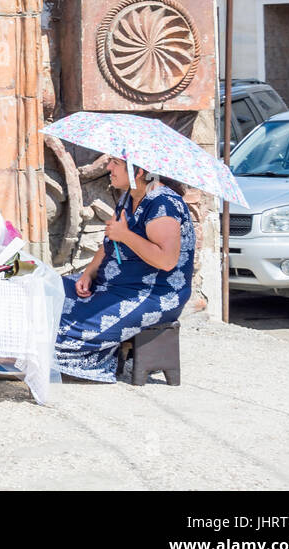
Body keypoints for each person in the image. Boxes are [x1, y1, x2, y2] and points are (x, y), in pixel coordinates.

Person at [56, 156, 196, 381]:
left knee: (64, 331)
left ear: (138, 171)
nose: (108, 167)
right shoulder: (129, 196)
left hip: (150, 294)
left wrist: (126, 235)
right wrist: (89, 272)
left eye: (115, 163)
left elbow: (166, 260)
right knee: (49, 294)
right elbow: (111, 241)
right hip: (111, 284)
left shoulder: (164, 204)